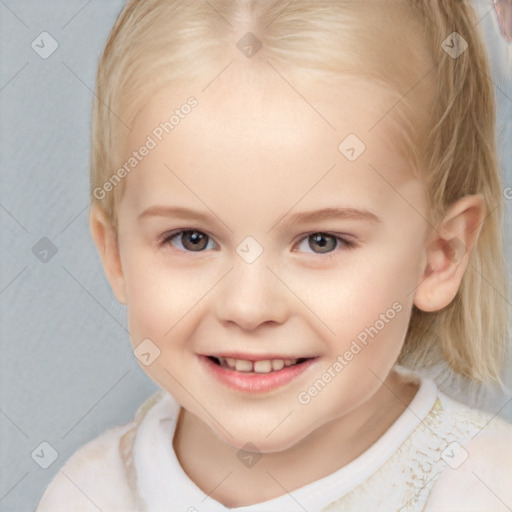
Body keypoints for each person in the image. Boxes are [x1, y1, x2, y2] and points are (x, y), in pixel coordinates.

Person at [36, 0, 512, 510]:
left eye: (321, 241)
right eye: (191, 239)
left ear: (441, 254)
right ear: (116, 255)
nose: (249, 307)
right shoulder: (91, 492)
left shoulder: (480, 486)